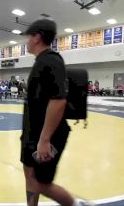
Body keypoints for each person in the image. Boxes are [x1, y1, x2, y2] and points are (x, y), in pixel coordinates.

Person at [20, 19, 86, 206]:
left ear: (37, 37)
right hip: (33, 133)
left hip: (46, 136)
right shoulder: (41, 62)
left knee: (41, 182)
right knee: (30, 174)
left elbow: (58, 101)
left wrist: (44, 139)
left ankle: (74, 204)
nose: (27, 41)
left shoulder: (51, 61)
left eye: (29, 37)